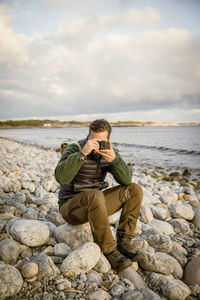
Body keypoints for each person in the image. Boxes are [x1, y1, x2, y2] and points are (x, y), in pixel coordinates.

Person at [54, 119, 143, 272]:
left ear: (108, 140)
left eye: (101, 141)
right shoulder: (74, 149)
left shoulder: (109, 152)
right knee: (95, 195)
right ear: (89, 137)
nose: (97, 145)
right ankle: (110, 250)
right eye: (93, 140)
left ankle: (124, 241)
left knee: (134, 190)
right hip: (71, 208)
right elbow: (61, 177)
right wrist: (82, 154)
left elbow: (126, 180)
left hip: (95, 205)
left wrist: (114, 160)